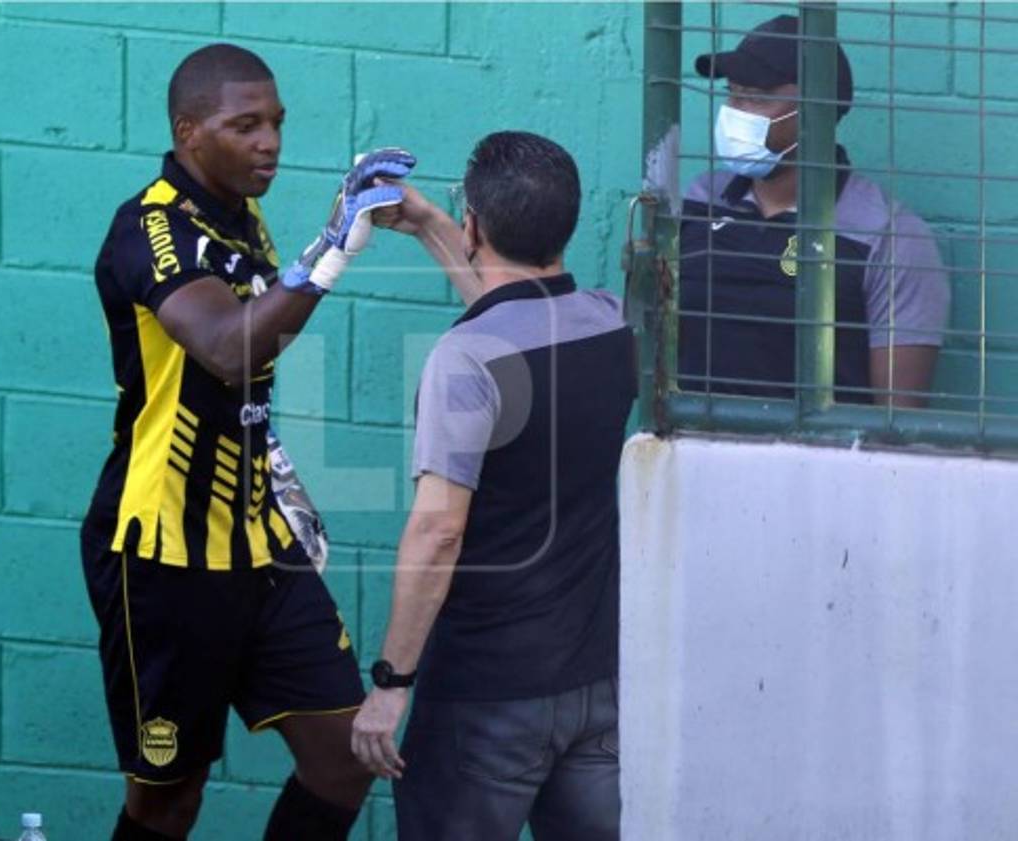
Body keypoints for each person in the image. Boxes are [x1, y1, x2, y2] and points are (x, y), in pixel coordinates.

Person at [79, 43, 415, 841]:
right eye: (245, 126)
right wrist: (331, 249)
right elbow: (229, 347)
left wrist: (270, 460)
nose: (270, 142)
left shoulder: (239, 215)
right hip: (165, 552)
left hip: (261, 543)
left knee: (345, 754)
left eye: (276, 123)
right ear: (188, 131)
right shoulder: (151, 227)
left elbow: (255, 356)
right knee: (169, 798)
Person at [352, 131, 637, 841]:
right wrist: (428, 223)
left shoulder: (465, 361)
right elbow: (514, 313)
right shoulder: (610, 324)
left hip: (486, 698)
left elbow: (438, 530)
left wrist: (390, 685)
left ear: (476, 225)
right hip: (597, 689)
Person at [679, 14, 950, 407]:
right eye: (733, 93)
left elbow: (897, 417)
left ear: (817, 109)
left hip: (814, 447)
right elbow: (654, 350)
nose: (737, 112)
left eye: (758, 97)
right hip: (687, 442)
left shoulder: (888, 236)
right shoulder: (699, 199)